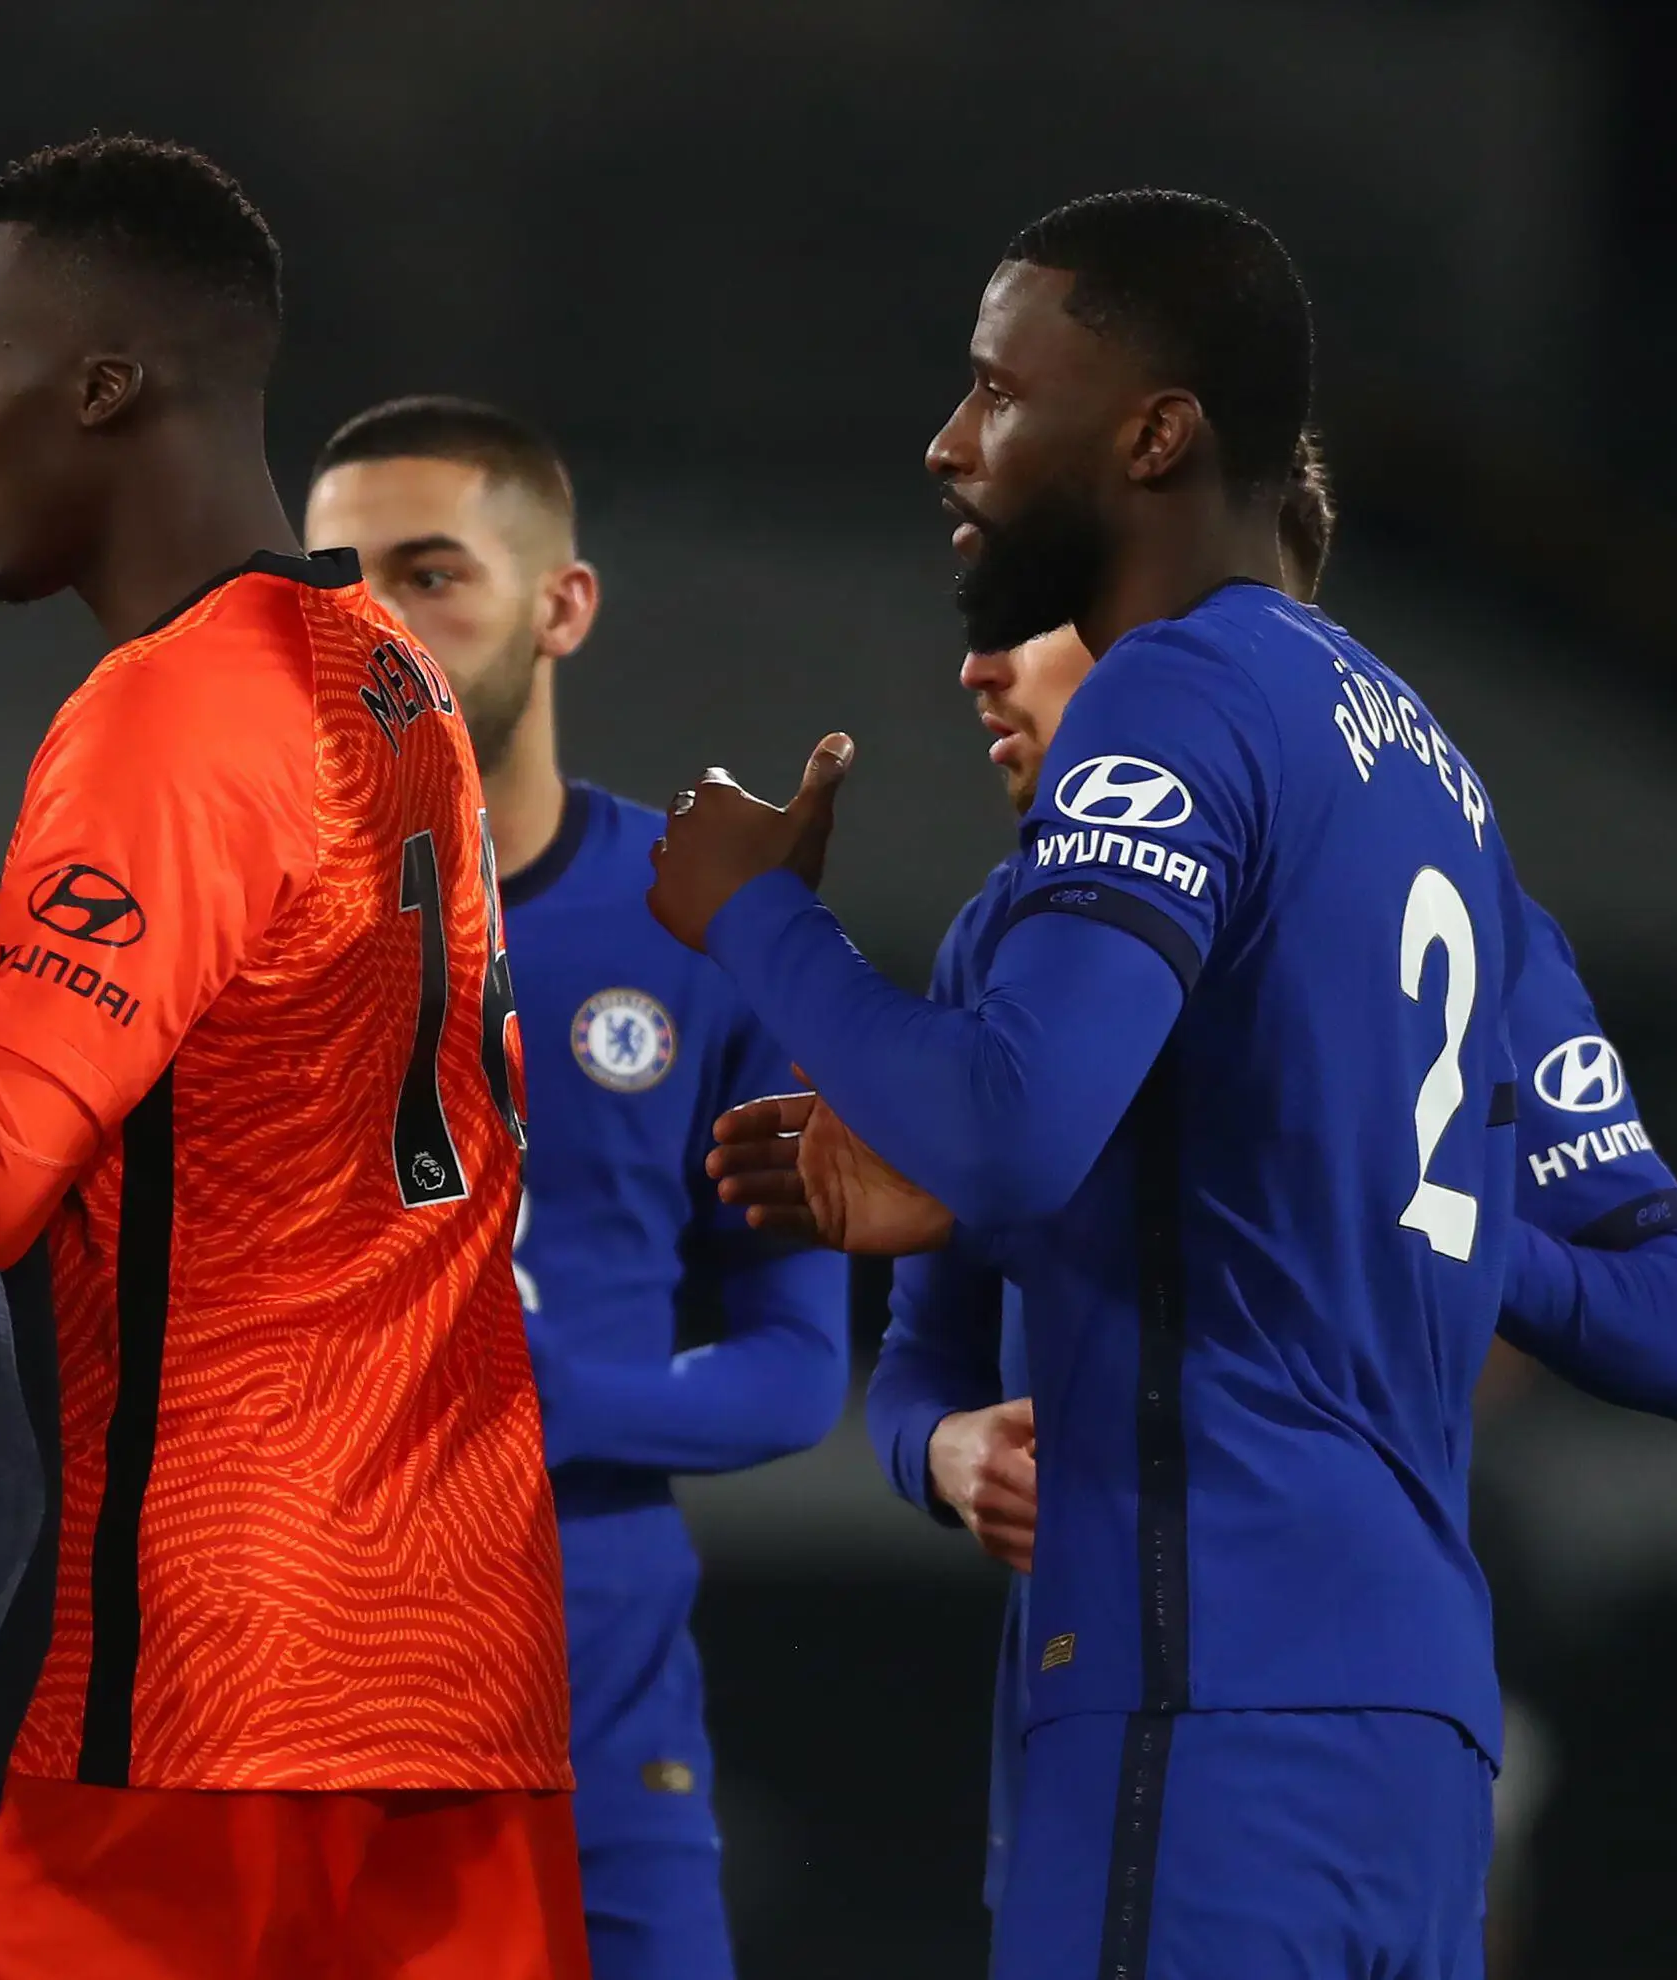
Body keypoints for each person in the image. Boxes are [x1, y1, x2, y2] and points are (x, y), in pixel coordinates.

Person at [646, 191, 1534, 1976]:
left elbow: (1004, 1121)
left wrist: (752, 918)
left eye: (995, 390)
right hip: (1409, 1711)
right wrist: (947, 1419)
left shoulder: (1180, 695)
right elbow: (1023, 1213)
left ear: (1154, 433)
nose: (948, 441)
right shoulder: (1418, 758)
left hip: (1210, 1689)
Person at [817, 432, 1677, 1929]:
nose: (980, 667)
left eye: (1036, 614)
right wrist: (940, 1452)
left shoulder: (1430, 892)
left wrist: (1409, 1193)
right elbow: (922, 1354)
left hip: (1218, 1693)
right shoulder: (1021, 945)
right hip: (1258, 1701)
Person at [0, 137, 581, 1978]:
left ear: (103, 386)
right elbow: (211, 1058)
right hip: (455, 1664)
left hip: (178, 1699)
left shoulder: (175, 700)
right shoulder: (392, 679)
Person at [303, 395, 847, 1980]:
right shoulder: (232, 916)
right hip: (285, 1681)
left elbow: (794, 1370)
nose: (376, 628)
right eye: (336, 588)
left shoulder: (710, 934)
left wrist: (495, 1395)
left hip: (590, 1687)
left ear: (563, 604)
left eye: (429, 576)